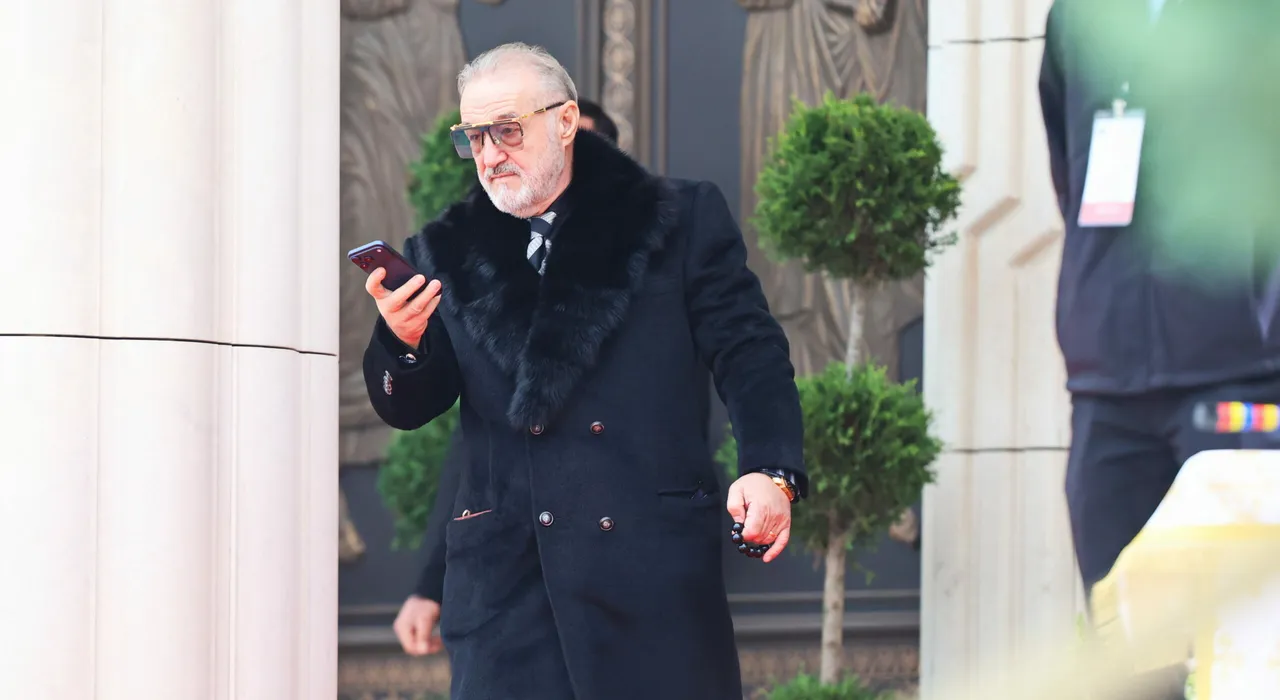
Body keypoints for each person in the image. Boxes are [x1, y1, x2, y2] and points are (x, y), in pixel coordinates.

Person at [362, 42, 805, 700]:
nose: (489, 154)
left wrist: (772, 470)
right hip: (508, 594)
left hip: (648, 579)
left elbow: (749, 350)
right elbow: (411, 406)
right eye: (473, 137)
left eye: (507, 130)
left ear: (565, 121)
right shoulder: (442, 250)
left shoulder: (678, 218)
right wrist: (401, 342)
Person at [1039, 1, 1280, 693]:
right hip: (1107, 386)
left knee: (1247, 638)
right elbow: (1069, 167)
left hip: (1242, 380)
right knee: (1127, 647)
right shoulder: (1075, 18)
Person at [389, 96, 630, 661]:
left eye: (578, 147)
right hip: (516, 582)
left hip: (629, 569)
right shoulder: (486, 271)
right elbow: (474, 447)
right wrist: (428, 585)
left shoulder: (653, 256)